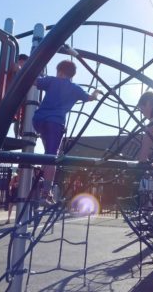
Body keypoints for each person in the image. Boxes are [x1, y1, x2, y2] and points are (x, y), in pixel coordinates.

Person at [33, 60, 102, 202]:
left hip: (38, 120)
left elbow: (33, 81)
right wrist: (95, 93)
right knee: (52, 157)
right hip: (55, 123)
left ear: (59, 71)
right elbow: (90, 98)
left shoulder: (51, 81)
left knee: (48, 152)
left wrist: (20, 68)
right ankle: (46, 192)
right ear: (72, 75)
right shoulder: (75, 88)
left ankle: (43, 175)